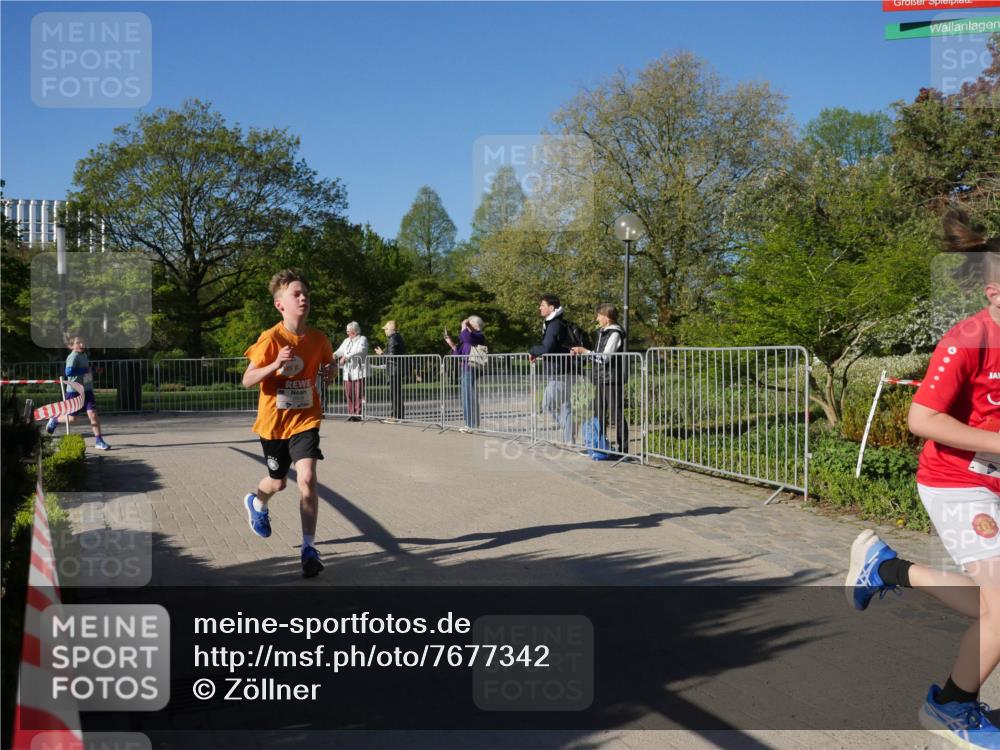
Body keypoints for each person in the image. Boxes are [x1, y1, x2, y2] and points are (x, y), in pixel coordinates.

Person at [846, 210, 1000, 748]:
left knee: (994, 605)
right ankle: (951, 706)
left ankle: (887, 569)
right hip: (956, 481)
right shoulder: (968, 338)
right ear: (993, 291)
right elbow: (921, 420)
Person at [241, 269, 335, 578]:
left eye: (306, 293)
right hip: (273, 424)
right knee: (279, 482)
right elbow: (247, 380)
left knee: (307, 478)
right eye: (296, 294)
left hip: (306, 419)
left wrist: (331, 373)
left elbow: (328, 366)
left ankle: (309, 548)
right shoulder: (271, 338)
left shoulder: (319, 338)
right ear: (280, 304)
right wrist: (275, 364)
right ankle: (257, 501)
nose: (303, 297)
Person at [571, 303, 628, 455]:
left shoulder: (615, 333)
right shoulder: (602, 332)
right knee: (599, 413)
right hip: (600, 378)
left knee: (616, 413)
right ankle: (599, 445)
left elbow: (605, 358)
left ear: (607, 317)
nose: (597, 318)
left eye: (599, 315)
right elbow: (596, 356)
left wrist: (585, 352)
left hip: (612, 379)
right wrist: (583, 353)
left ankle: (624, 450)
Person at [46, 335, 110, 450]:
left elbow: (85, 369)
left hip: (87, 390)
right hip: (74, 391)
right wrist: (86, 370)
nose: (82, 345)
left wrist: (94, 369)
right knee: (72, 419)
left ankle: (99, 441)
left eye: (83, 342)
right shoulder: (73, 356)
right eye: (78, 343)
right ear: (72, 346)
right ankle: (55, 419)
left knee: (93, 415)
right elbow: (69, 372)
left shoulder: (84, 355)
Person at [529, 294, 574, 445]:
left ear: (551, 308)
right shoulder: (556, 323)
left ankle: (570, 431)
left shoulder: (554, 325)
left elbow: (547, 348)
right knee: (564, 406)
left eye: (542, 305)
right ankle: (569, 439)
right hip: (562, 370)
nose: (539, 307)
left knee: (547, 405)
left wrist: (533, 350)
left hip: (559, 372)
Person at [445, 316, 486, 432]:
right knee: (466, 397)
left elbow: (466, 337)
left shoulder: (478, 336)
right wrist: (451, 344)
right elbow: (458, 354)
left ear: (474, 325)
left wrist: (464, 326)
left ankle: (471, 424)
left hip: (472, 369)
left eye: (469, 324)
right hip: (465, 369)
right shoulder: (469, 339)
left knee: (469, 397)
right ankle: (469, 423)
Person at [334, 322, 368, 422]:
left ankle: (358, 414)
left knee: (358, 394)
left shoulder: (362, 339)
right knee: (348, 393)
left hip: (359, 371)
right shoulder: (346, 340)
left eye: (348, 331)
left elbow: (360, 350)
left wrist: (346, 357)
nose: (347, 333)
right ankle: (351, 413)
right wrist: (333, 355)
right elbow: (340, 350)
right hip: (347, 371)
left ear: (354, 331)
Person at [375, 320, 406, 422]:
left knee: (395, 393)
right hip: (396, 368)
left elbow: (392, 356)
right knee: (396, 393)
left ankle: (395, 416)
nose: (385, 331)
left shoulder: (393, 338)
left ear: (391, 329)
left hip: (395, 369)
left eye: (386, 329)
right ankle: (398, 415)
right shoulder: (397, 337)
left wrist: (381, 354)